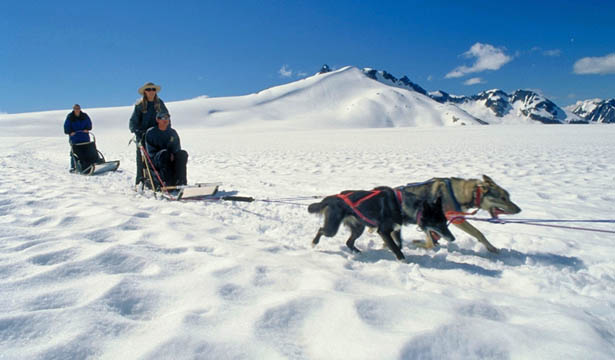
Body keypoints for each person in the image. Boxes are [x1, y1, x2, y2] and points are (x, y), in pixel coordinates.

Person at [129, 81, 168, 186]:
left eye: (153, 89)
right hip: (143, 137)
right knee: (142, 161)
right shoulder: (140, 105)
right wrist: (138, 133)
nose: (151, 91)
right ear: (144, 92)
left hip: (158, 136)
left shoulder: (160, 104)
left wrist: (167, 130)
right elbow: (133, 123)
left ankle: (163, 180)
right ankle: (140, 183)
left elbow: (166, 118)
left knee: (162, 157)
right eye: (148, 89)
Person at [144, 111, 188, 188]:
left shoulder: (172, 132)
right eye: (163, 118)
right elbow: (150, 152)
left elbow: (177, 147)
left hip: (170, 156)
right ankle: (166, 182)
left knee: (182, 154)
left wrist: (173, 154)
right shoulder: (151, 132)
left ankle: (181, 182)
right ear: (158, 120)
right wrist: (166, 153)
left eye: (167, 118)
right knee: (164, 154)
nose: (166, 120)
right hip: (156, 159)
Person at [63, 104, 92, 172]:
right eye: (76, 108)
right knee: (74, 152)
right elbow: (66, 127)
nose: (77, 110)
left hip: (84, 137)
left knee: (87, 150)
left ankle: (89, 164)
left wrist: (87, 129)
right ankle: (74, 167)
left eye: (78, 108)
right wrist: (70, 132)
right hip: (75, 138)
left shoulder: (84, 116)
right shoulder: (70, 117)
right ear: (73, 109)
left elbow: (89, 124)